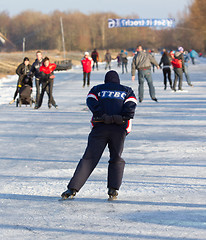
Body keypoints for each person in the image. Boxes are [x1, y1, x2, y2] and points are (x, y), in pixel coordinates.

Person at [61, 70, 137, 200]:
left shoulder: (97, 89)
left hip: (100, 127)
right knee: (116, 158)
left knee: (89, 158)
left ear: (105, 81)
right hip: (118, 129)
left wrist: (102, 115)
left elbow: (90, 100)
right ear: (117, 80)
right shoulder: (127, 90)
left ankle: (72, 189)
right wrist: (122, 116)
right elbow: (131, 105)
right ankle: (113, 190)